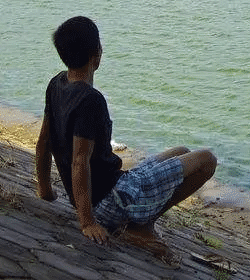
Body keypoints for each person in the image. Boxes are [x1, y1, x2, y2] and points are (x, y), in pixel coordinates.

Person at [34, 16, 217, 258]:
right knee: (207, 160)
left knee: (182, 151)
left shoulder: (56, 83)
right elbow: (80, 161)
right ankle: (138, 227)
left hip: (108, 188)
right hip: (111, 201)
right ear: (95, 55)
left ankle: (143, 223)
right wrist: (87, 221)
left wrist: (45, 189)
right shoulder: (90, 100)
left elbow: (43, 142)